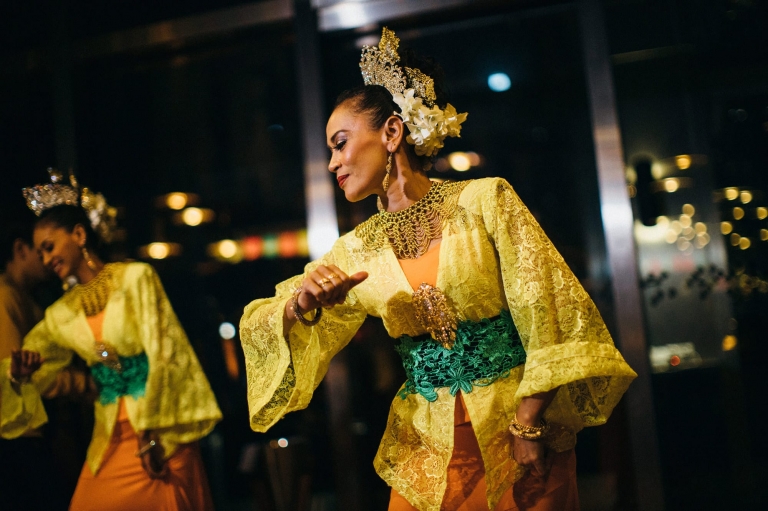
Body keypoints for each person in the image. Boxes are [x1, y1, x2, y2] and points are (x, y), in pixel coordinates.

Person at [240, 28, 637, 511]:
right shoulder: (356, 249)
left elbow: (549, 311)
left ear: (391, 132)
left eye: (340, 143)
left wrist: (529, 422)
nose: (332, 163)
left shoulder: (484, 200)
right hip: (424, 450)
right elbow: (262, 317)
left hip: (515, 434)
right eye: (329, 150)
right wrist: (300, 303)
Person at [0, 170, 223, 511]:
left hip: (162, 432)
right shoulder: (62, 312)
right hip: (111, 439)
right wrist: (20, 373)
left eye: (49, 247)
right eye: (40, 253)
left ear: (78, 234)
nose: (45, 259)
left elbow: (165, 353)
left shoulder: (136, 278)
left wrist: (153, 430)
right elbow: (30, 361)